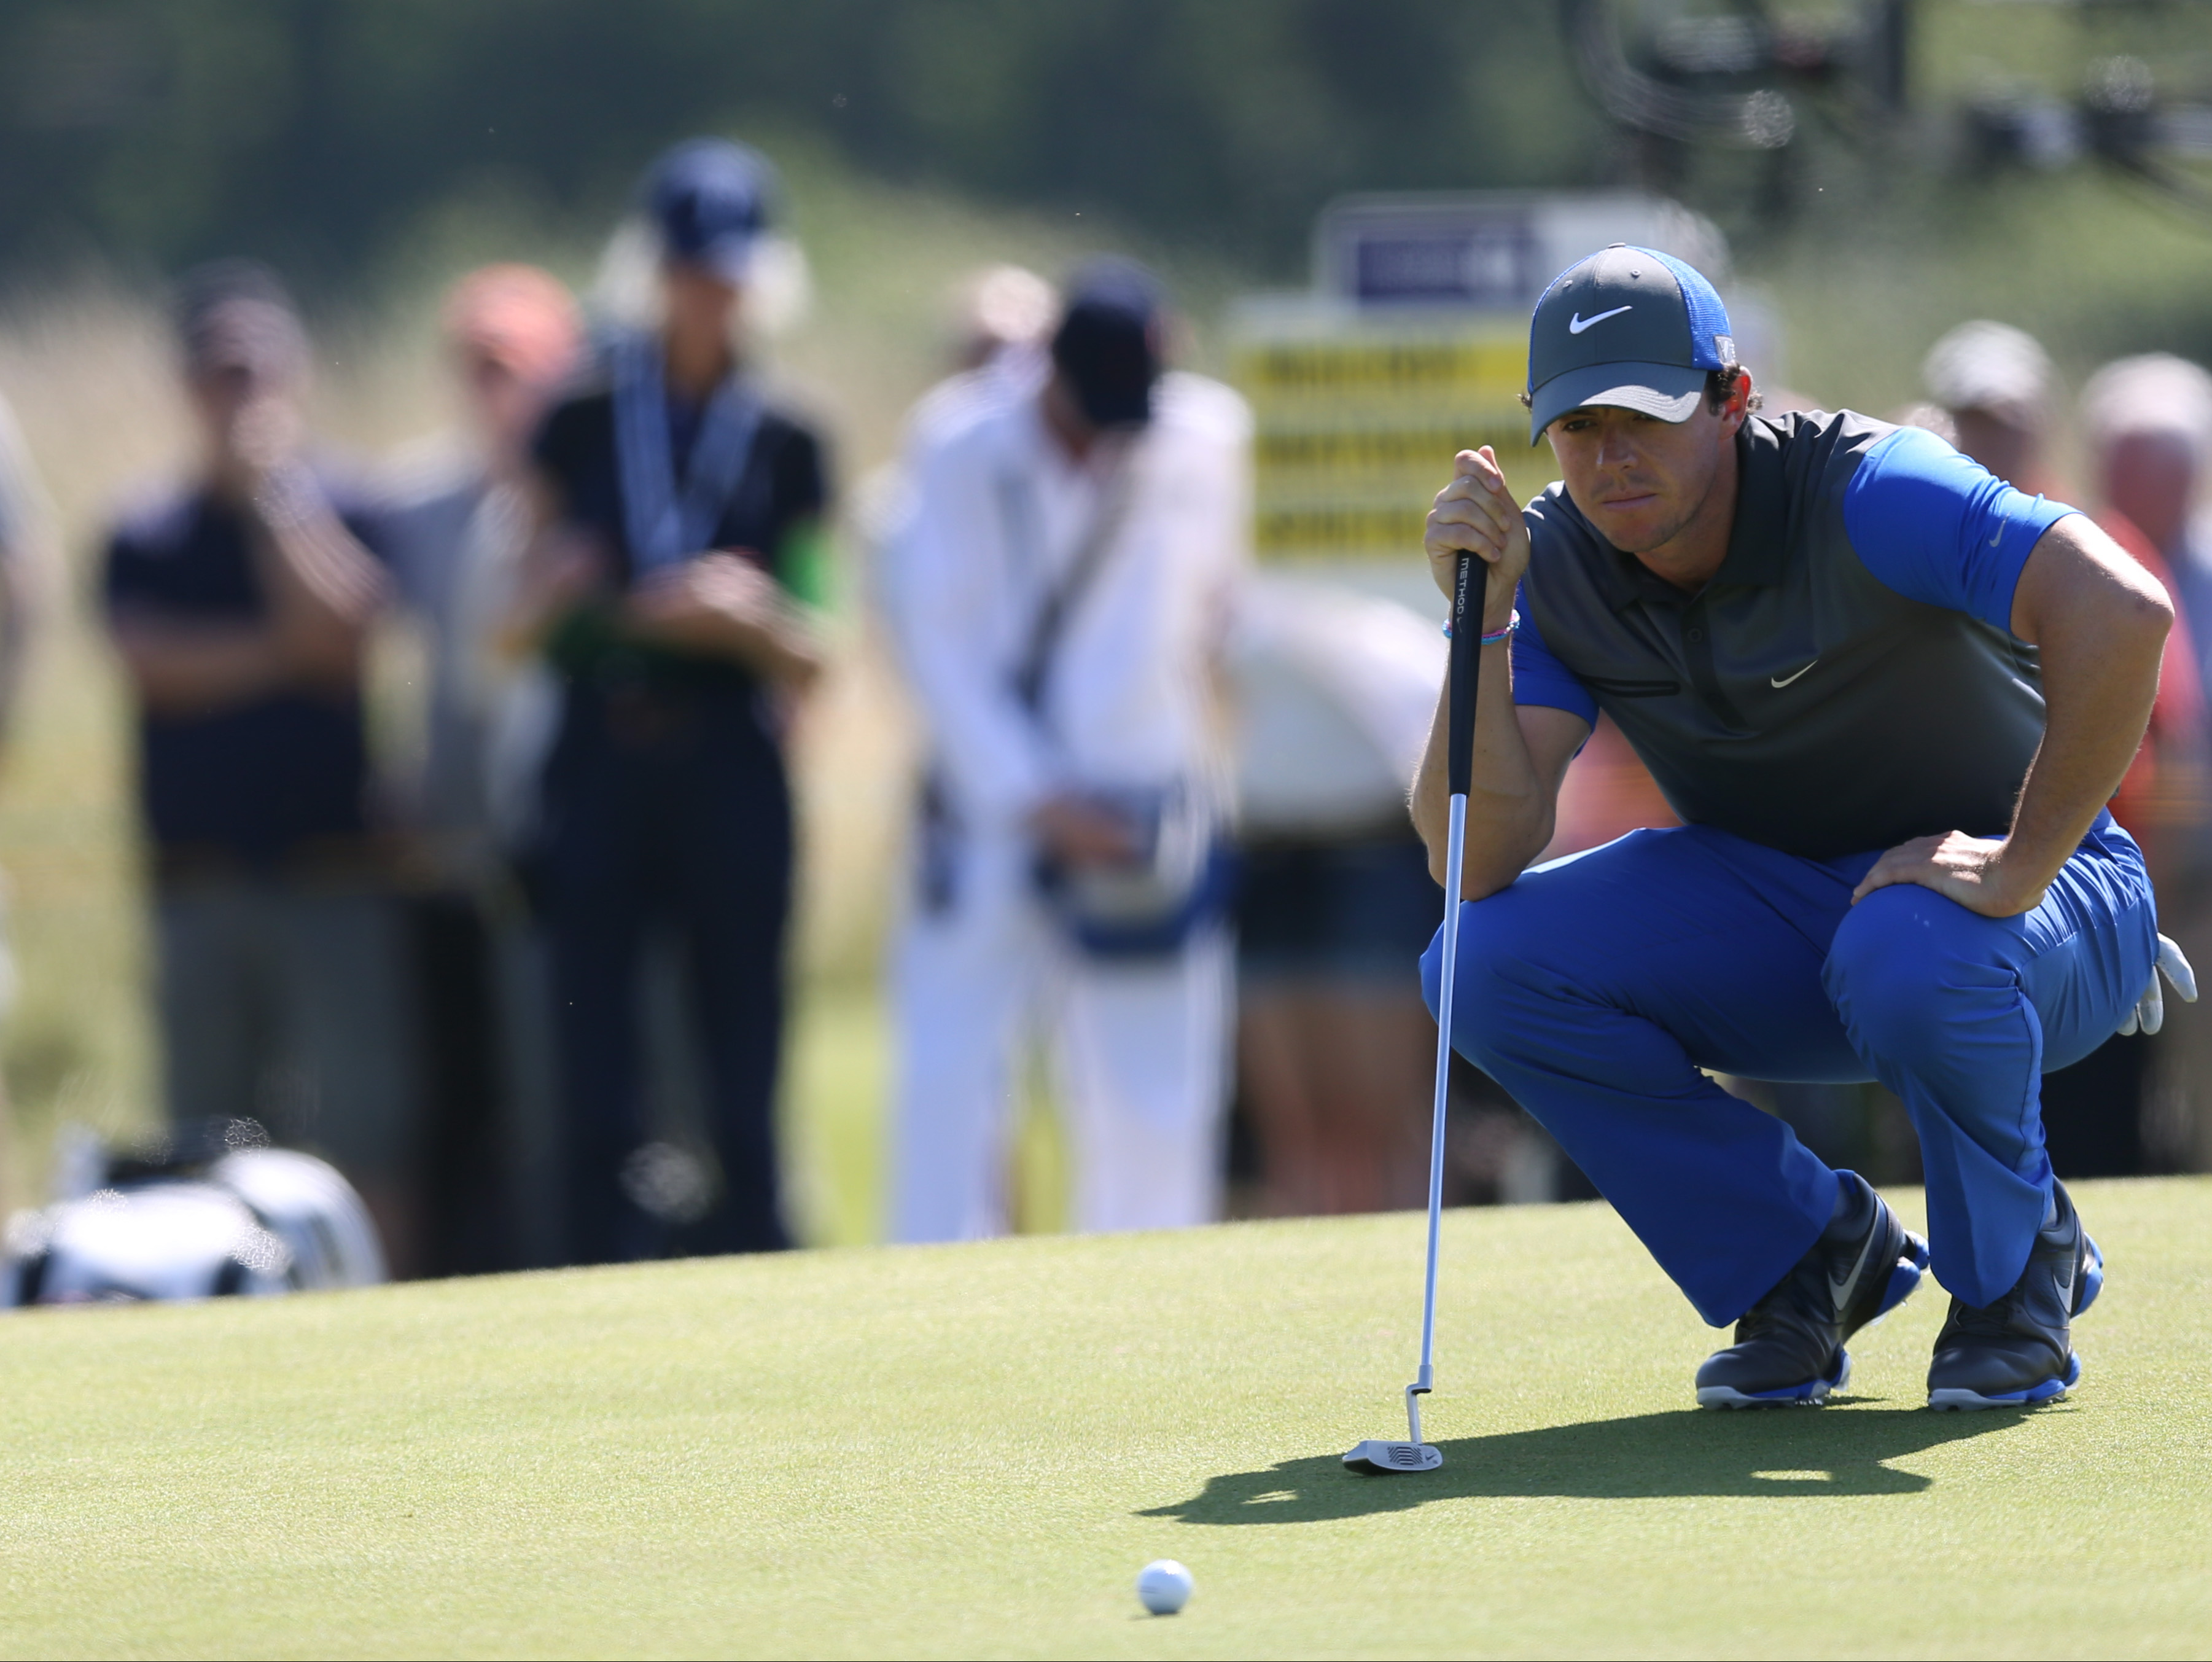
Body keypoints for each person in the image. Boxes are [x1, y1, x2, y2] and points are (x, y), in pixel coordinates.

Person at [1414, 244, 2188, 1411]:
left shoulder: (1869, 484)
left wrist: (2023, 861)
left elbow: (2120, 609)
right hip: (1808, 919)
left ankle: (2013, 1273)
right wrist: (1484, 624)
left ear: (1731, 400)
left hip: (2042, 903)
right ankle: (1807, 1255)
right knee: (1477, 960)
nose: (1611, 456)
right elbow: (1471, 858)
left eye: (1646, 416)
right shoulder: (1558, 557)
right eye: (1578, 429)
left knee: (1909, 947)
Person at [505, 139, 828, 1264]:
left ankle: (759, 1269)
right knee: (595, 1068)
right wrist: (567, 595)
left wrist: (743, 619)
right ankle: (593, 1277)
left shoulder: (788, 432)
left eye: (729, 272)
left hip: (730, 761)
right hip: (600, 751)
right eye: (691, 270)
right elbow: (507, 624)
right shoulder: (581, 413)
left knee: (744, 1062)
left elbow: (816, 651)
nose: (710, 294)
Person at [884, 259, 1249, 1241]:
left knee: (1154, 1091)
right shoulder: (959, 442)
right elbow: (936, 642)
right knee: (948, 1079)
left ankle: (1147, 1298)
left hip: (1140, 801)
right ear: (1048, 370)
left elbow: (1226, 604)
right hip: (989, 806)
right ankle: (928, 1307)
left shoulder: (1205, 439)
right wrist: (1036, 797)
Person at [101, 261, 420, 1270]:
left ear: (296, 374)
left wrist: (277, 501)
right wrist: (285, 652)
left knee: (365, 1130)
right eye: (219, 373)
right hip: (201, 885)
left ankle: (383, 1317)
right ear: (186, 386)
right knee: (212, 1141)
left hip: (331, 877)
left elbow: (349, 629)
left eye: (256, 371)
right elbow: (155, 667)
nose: (238, 395)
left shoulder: (348, 505)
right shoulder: (145, 530)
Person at [1923, 327, 2208, 1179]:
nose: (1986, 441)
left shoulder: (2096, 542)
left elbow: (2167, 730)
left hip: (2089, 888)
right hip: (1961, 888)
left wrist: (2141, 892)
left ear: (2039, 428)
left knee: (2101, 1128)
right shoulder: (1914, 550)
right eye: (1969, 422)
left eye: (2004, 422)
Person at [380, 265, 585, 1273]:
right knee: (461, 1095)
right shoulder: (418, 504)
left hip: (561, 849)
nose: (497, 391)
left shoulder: (591, 497)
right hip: (448, 857)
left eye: (516, 368)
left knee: (561, 1085)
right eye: (479, 369)